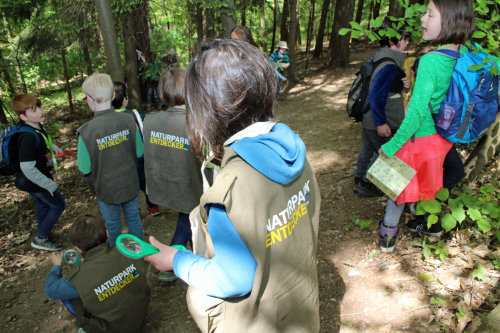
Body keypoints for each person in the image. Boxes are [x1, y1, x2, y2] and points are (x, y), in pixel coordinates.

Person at [145, 39, 321, 332]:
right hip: (300, 310)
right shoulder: (293, 152)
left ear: (204, 110)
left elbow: (233, 278)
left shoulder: (228, 192)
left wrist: (176, 260)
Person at [378, 0, 476, 252]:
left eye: (430, 14)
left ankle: (388, 236)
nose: (422, 19)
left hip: (418, 137)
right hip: (442, 137)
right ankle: (426, 221)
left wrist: (392, 145)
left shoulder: (432, 60)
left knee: (395, 184)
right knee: (433, 180)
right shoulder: (464, 55)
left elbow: (417, 112)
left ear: (450, 20)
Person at [142, 68, 203, 281]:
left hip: (166, 185)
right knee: (193, 220)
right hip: (192, 187)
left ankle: (174, 262)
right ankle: (177, 264)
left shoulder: (149, 121)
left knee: (186, 218)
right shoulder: (196, 122)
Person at [45, 215, 150, 333]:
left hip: (112, 329)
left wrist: (56, 266)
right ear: (107, 234)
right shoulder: (127, 250)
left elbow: (50, 290)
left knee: (71, 295)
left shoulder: (80, 277)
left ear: (77, 249)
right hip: (139, 316)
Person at [77, 73, 144, 246]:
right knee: (134, 221)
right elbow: (139, 151)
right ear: (113, 96)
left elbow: (84, 167)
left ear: (90, 100)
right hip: (129, 183)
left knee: (113, 225)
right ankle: (139, 257)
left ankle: (118, 260)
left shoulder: (86, 132)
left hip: (105, 190)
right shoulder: (128, 120)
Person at [353, 25, 410, 197]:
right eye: (405, 39)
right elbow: (377, 94)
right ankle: (367, 183)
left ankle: (359, 180)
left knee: (368, 147)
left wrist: (403, 84)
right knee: (387, 153)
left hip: (368, 116)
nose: (407, 42)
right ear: (393, 41)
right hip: (377, 119)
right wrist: (381, 123)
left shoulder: (379, 58)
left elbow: (384, 88)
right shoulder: (389, 64)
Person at [11, 94, 66, 251]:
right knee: (58, 205)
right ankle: (41, 238)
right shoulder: (27, 136)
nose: (40, 111)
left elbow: (42, 141)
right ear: (22, 116)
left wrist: (53, 147)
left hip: (32, 180)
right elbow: (27, 167)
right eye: (33, 110)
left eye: (39, 107)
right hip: (35, 180)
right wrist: (48, 184)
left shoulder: (35, 127)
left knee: (42, 206)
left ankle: (44, 233)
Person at [112, 81, 160, 216]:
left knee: (127, 187)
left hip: (121, 161)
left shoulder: (109, 120)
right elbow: (145, 131)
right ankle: (152, 207)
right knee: (146, 183)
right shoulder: (135, 114)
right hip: (140, 158)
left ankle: (134, 212)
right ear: (125, 99)